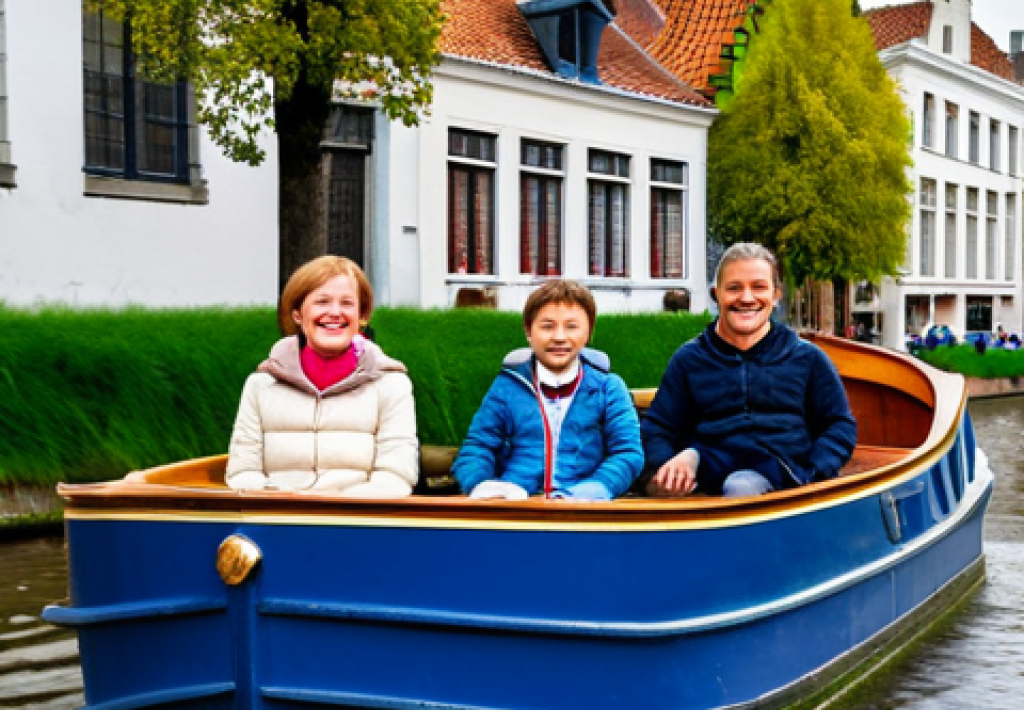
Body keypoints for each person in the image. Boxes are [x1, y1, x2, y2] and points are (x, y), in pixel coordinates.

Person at [642, 242, 857, 498]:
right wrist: (666, 468)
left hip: (787, 481)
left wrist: (812, 474)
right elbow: (658, 427)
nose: (746, 298)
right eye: (734, 288)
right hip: (709, 481)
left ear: (776, 295)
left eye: (758, 287)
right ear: (716, 294)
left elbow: (839, 425)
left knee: (741, 486)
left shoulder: (808, 358)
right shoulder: (689, 360)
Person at [226, 255, 418, 496]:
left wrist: (333, 512)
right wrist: (283, 505)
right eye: (322, 302)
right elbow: (243, 473)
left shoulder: (392, 385)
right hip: (277, 515)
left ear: (362, 316)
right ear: (297, 314)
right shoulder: (260, 386)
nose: (335, 312)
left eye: (347, 303)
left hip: (358, 515)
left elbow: (395, 477)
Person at [453, 279, 643, 501]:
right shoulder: (506, 387)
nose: (559, 337)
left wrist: (595, 490)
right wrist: (482, 485)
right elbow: (477, 447)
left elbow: (627, 453)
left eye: (571, 327)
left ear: (588, 332)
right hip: (518, 506)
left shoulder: (609, 388)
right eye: (547, 326)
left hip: (585, 507)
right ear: (528, 331)